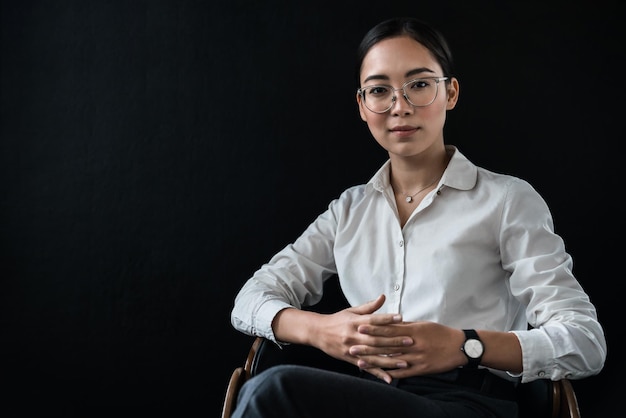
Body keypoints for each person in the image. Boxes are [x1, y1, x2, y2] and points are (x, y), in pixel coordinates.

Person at [229, 16, 607, 418]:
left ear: (451, 93)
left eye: (420, 85)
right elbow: (249, 300)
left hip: (470, 402)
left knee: (274, 391)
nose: (400, 107)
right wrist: (321, 331)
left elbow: (584, 342)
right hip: (370, 397)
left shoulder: (507, 200)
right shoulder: (349, 210)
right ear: (362, 106)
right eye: (379, 91)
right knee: (267, 390)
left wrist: (466, 345)